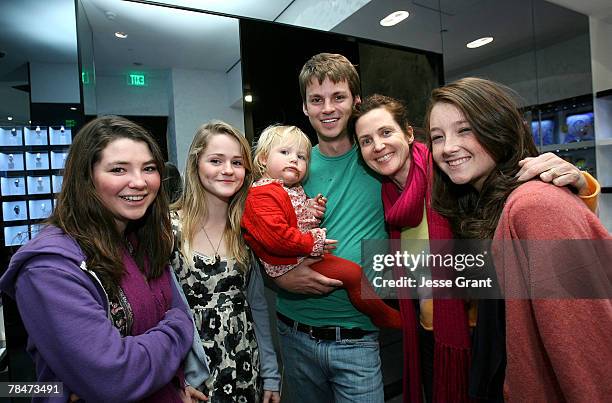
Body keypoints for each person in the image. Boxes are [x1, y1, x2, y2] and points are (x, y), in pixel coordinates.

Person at [352, 93, 600, 402]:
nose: (378, 145)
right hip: (429, 329)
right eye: (365, 140)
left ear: (409, 133)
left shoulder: (447, 175)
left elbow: (539, 230)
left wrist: (580, 186)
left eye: (386, 132)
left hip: (477, 327)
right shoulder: (389, 195)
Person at [425, 77, 612, 402]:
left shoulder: (532, 204)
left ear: (498, 129)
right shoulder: (481, 207)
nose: (448, 147)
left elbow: (586, 352)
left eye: (465, 129)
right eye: (437, 137)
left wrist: (581, 187)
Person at [0, 116, 204, 402]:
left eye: (149, 168)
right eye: (118, 169)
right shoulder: (49, 267)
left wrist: (173, 385)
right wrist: (180, 326)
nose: (139, 181)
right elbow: (116, 377)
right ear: (87, 178)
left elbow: (171, 308)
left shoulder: (140, 240)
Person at [269, 52, 386, 403]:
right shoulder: (291, 166)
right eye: (316, 100)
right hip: (295, 334)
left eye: (338, 97)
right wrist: (278, 277)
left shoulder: (379, 158)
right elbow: (259, 231)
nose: (328, 108)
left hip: (358, 337)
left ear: (356, 101)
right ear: (305, 107)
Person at [242, 124, 401, 329]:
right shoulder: (263, 194)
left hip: (300, 259)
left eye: (301, 157)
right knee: (353, 274)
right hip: (292, 261)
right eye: (285, 152)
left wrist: (310, 209)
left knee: (352, 274)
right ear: (263, 158)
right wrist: (313, 242)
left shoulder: (287, 189)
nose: (294, 160)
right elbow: (277, 236)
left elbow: (292, 219)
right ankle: (383, 314)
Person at [170, 120, 281, 403]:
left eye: (237, 162)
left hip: (245, 367)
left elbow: (256, 305)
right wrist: (172, 381)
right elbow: (156, 314)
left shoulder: (248, 229)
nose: (228, 170)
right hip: (193, 376)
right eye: (216, 160)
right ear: (196, 164)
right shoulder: (168, 228)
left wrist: (271, 374)